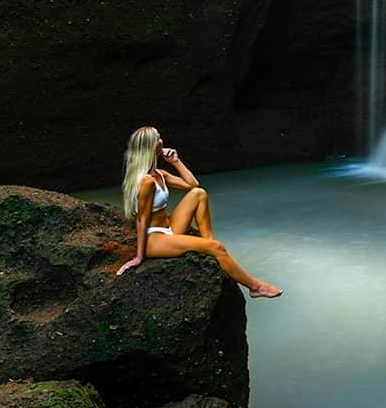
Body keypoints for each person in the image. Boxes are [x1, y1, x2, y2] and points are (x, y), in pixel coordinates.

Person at [114, 126, 282, 299]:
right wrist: (139, 257)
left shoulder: (159, 174)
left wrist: (176, 162)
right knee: (218, 248)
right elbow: (141, 219)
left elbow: (192, 184)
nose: (161, 141)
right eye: (157, 139)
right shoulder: (147, 181)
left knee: (199, 194)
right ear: (149, 147)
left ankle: (208, 243)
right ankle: (255, 287)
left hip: (170, 228)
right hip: (155, 238)